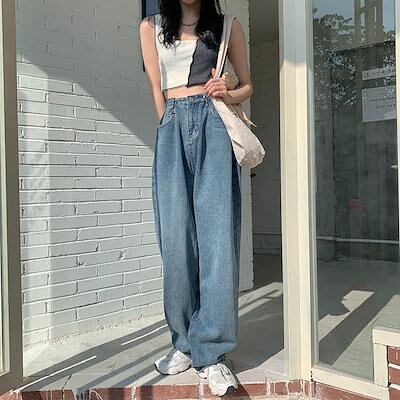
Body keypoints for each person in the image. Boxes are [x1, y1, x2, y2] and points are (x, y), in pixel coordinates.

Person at [139, 0, 253, 396]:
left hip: (214, 124)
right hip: (172, 124)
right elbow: (156, 87)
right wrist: (167, 123)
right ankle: (184, 342)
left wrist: (229, 90)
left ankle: (213, 351)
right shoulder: (151, 27)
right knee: (175, 239)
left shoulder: (227, 26)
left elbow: (247, 85)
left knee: (217, 240)